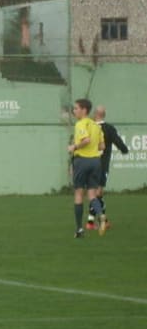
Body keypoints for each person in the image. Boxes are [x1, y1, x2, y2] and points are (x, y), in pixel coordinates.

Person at [67, 97, 105, 239]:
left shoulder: (80, 124)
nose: (74, 111)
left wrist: (73, 147)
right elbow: (102, 146)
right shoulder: (96, 126)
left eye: (76, 108)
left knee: (78, 194)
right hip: (96, 161)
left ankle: (79, 230)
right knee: (92, 195)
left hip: (82, 161)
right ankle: (100, 215)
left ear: (84, 110)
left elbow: (86, 140)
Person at [92, 104, 129, 231]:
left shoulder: (89, 127)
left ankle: (92, 221)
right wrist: (124, 150)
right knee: (98, 192)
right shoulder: (109, 129)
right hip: (102, 164)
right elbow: (119, 143)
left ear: (95, 114)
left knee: (94, 192)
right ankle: (102, 220)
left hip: (88, 162)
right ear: (104, 115)